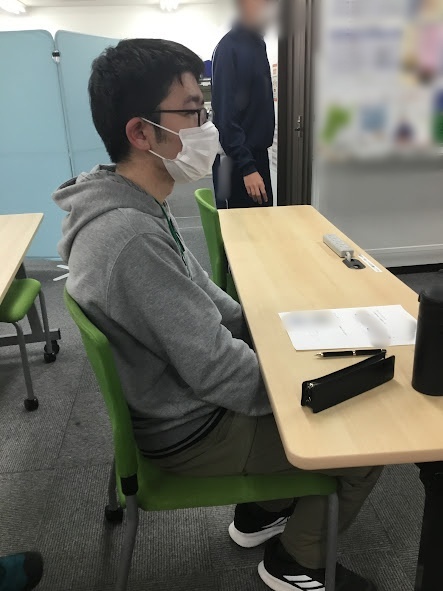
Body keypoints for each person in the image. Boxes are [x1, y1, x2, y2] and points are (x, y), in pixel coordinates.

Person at [54, 39, 381, 591]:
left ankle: (259, 513)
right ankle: (297, 562)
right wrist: (306, 392)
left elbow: (205, 297)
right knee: (365, 441)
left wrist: (278, 334)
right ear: (141, 132)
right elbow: (216, 370)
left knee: (317, 369)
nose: (206, 126)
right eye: (192, 112)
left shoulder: (133, 202)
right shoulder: (129, 236)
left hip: (179, 403)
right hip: (192, 428)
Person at [212, 0, 277, 208]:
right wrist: (247, 167)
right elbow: (225, 116)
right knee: (238, 227)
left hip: (257, 157)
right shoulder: (229, 47)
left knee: (263, 223)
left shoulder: (258, 44)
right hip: (236, 162)